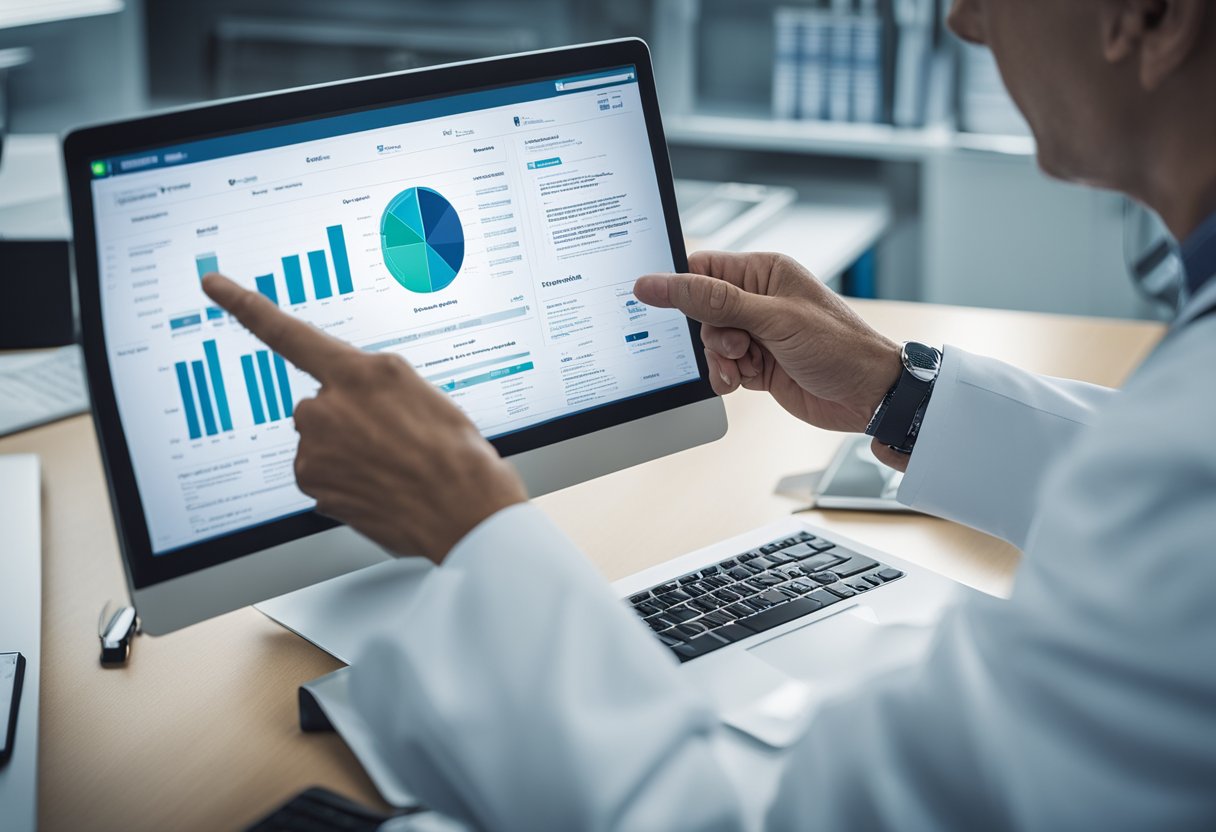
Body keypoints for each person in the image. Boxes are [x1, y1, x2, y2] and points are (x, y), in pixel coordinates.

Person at [203, 0, 1216, 827]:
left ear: (1154, 19)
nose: (959, 22)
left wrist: (473, 527)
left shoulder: (1177, 474)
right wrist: (894, 388)